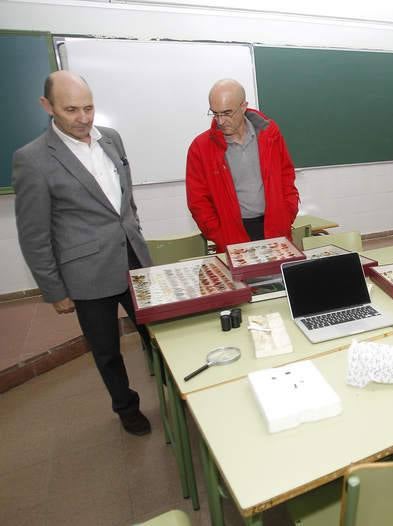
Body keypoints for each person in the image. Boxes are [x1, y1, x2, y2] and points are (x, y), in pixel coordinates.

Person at [13, 71, 153, 436]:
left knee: (156, 333)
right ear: (47, 106)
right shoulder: (32, 159)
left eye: (88, 108)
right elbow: (34, 234)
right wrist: (55, 290)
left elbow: (125, 200)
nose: (83, 118)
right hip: (87, 274)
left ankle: (174, 390)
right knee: (106, 351)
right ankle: (126, 407)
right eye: (71, 109)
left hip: (134, 258)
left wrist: (134, 229)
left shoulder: (112, 138)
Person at [186, 79, 300, 252]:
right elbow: (198, 201)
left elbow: (286, 174)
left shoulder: (270, 134)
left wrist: (286, 214)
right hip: (232, 238)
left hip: (276, 231)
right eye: (215, 114)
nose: (220, 121)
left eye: (227, 113)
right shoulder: (200, 148)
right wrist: (220, 235)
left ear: (243, 107)